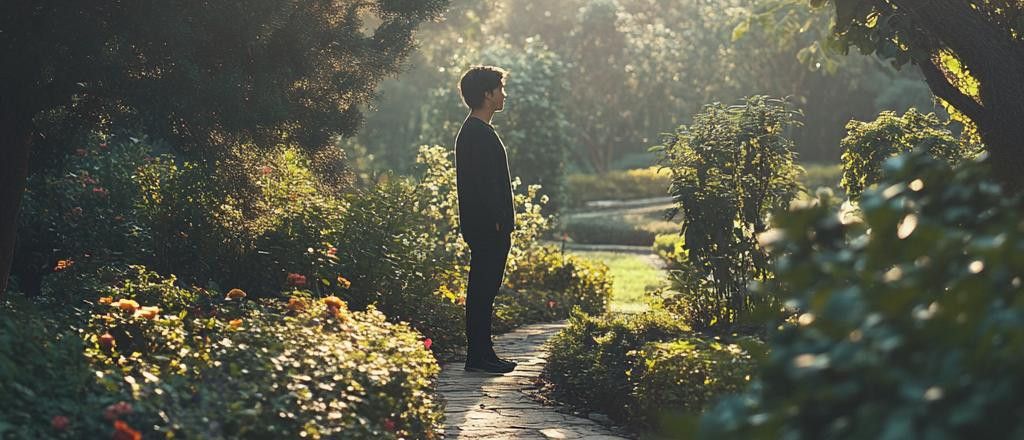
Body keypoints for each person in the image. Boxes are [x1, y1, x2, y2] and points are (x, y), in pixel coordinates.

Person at [454, 65, 518, 374]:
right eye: (500, 89)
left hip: (489, 226)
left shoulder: (478, 131)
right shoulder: (476, 134)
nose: (504, 94)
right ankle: (478, 356)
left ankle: (483, 353)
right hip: (487, 228)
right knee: (482, 290)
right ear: (487, 94)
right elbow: (483, 184)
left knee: (484, 290)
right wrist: (497, 220)